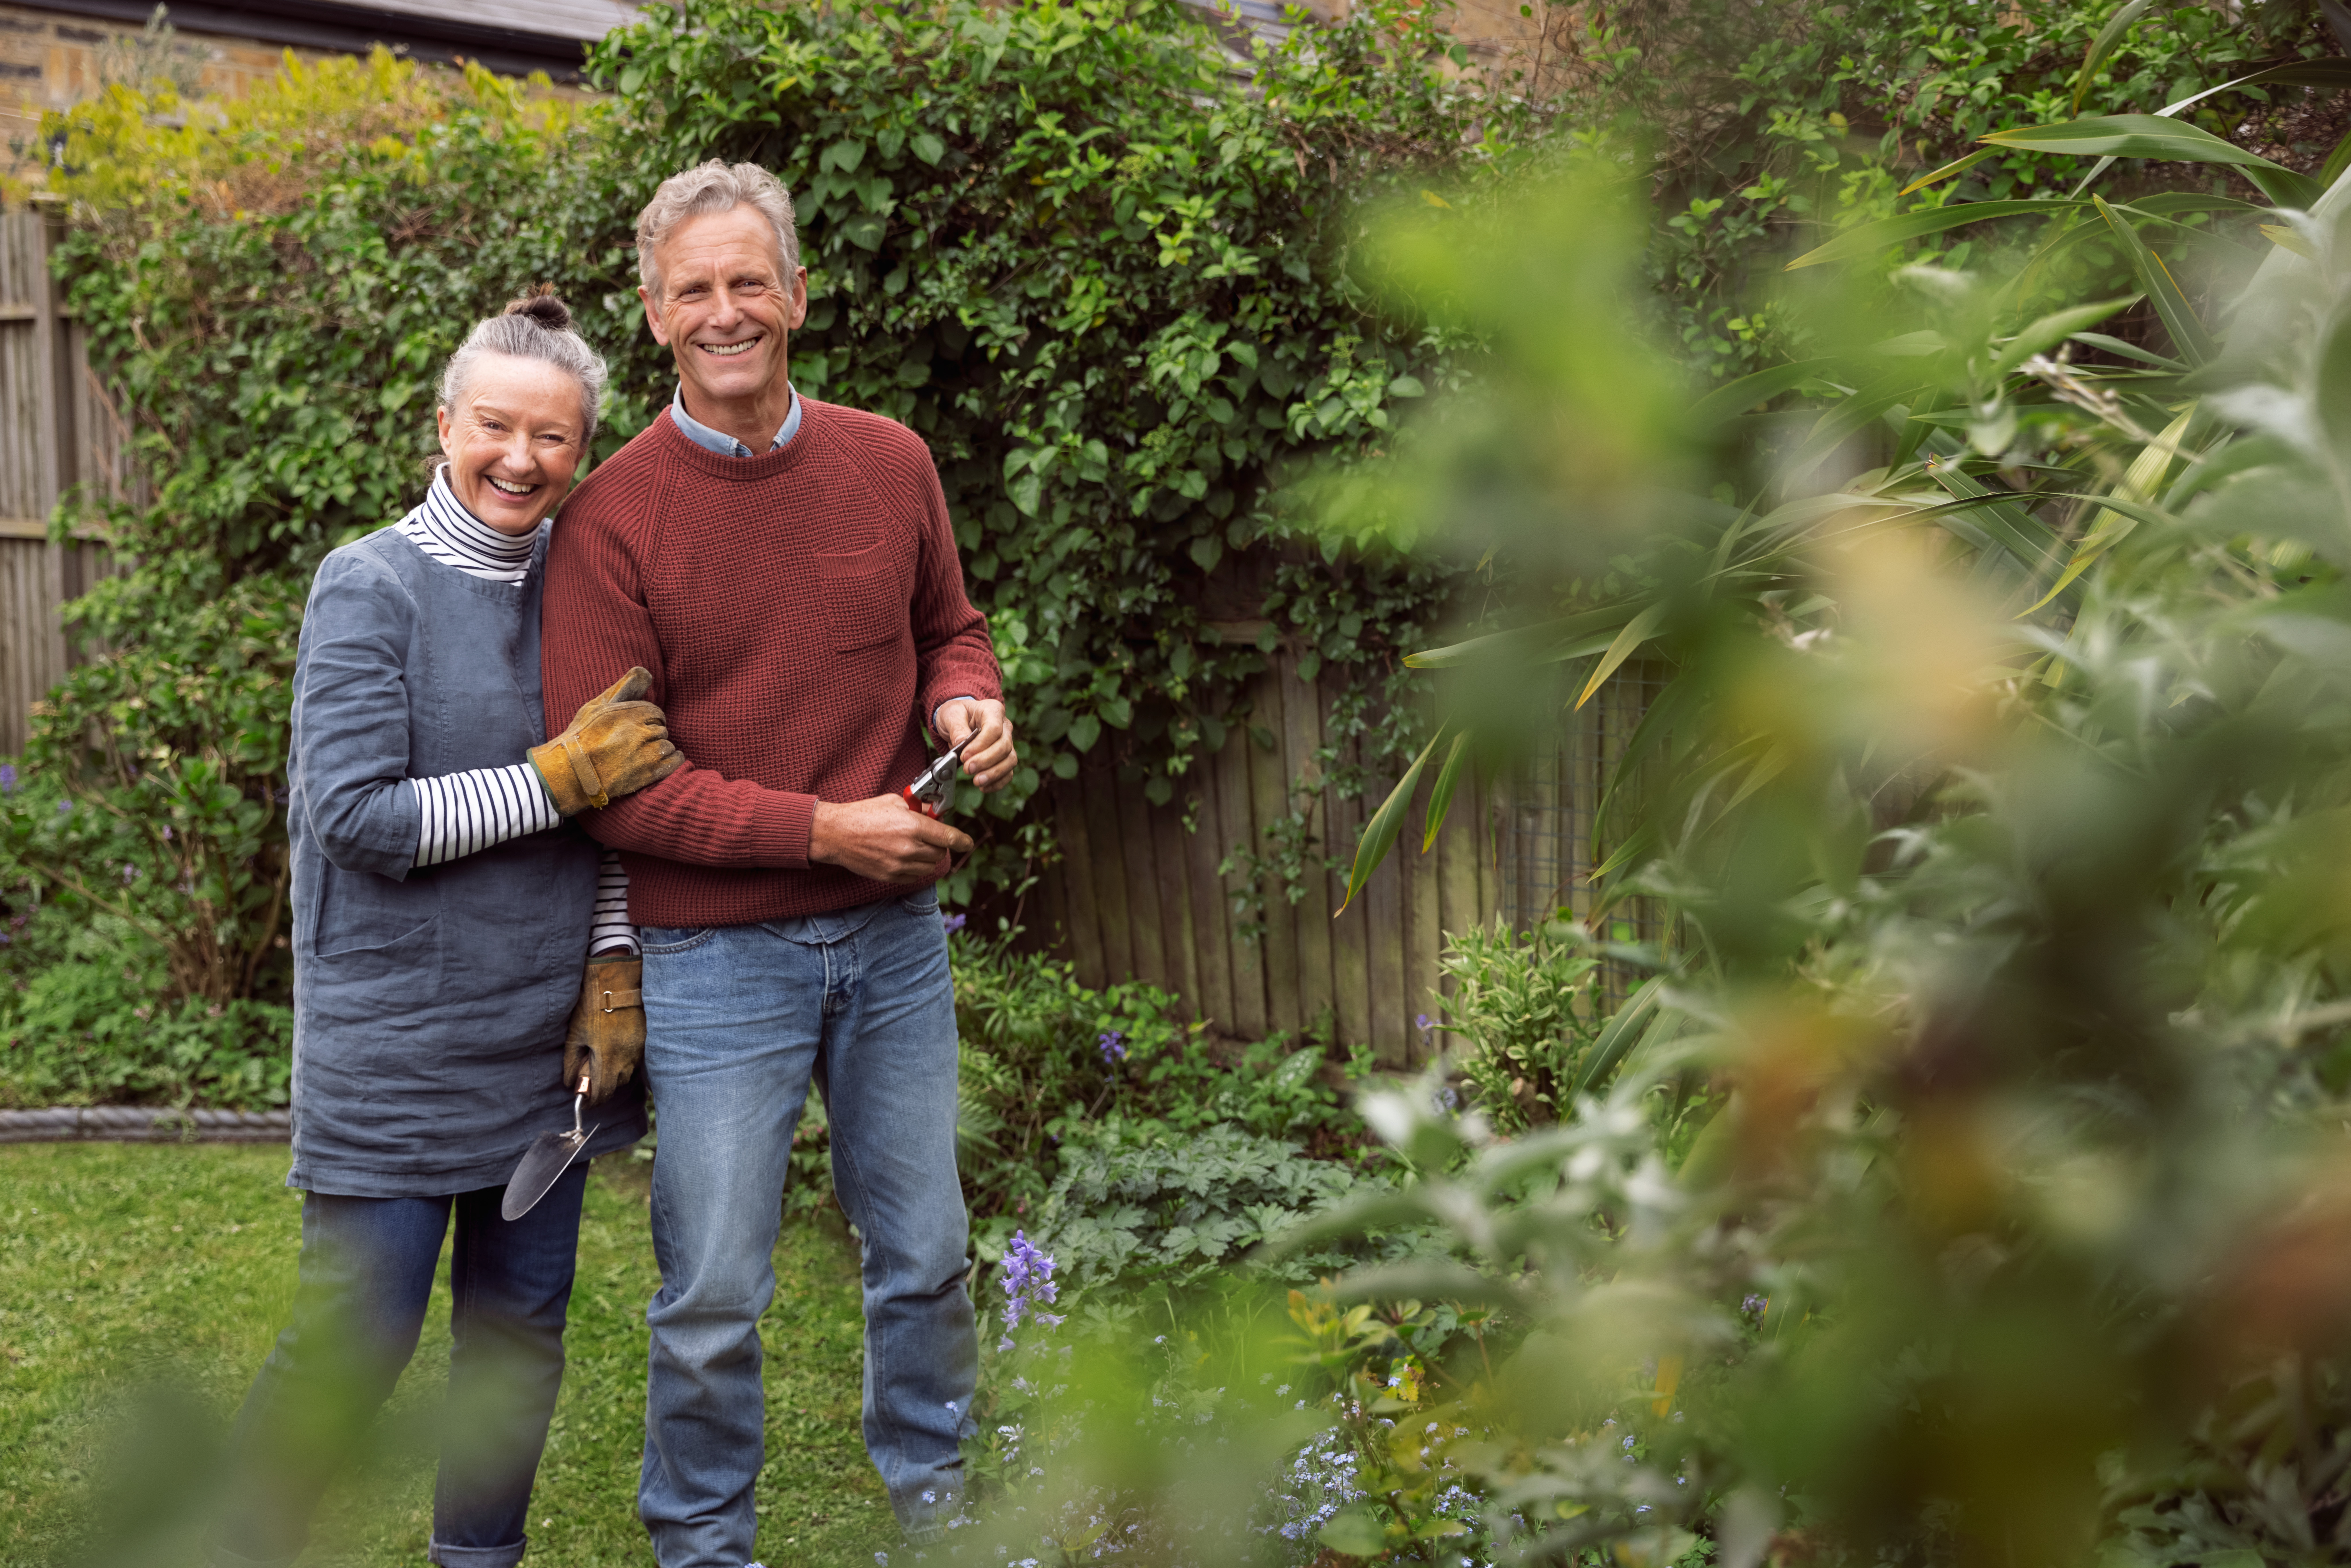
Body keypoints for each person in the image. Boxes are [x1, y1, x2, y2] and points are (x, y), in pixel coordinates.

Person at [540, 160, 1018, 1567]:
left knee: (926, 1253)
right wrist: (824, 828)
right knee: (712, 1293)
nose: (725, 308)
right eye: (695, 287)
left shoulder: (891, 462)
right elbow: (618, 797)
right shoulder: (611, 520)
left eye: (750, 280)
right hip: (712, 958)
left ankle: (940, 1514)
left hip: (890, 944)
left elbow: (953, 624)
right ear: (653, 314)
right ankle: (701, 1544)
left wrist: (965, 695)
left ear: (798, 294)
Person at [208, 291, 679, 1568]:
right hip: (395, 1052)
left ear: (585, 450)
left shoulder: (593, 596)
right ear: (444, 424)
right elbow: (353, 814)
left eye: (554, 439)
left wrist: (615, 963)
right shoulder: (367, 586)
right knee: (353, 1343)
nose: (520, 460)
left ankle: (481, 1561)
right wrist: (552, 778)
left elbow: (623, 801)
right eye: (494, 427)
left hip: (545, 1054)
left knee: (517, 1344)